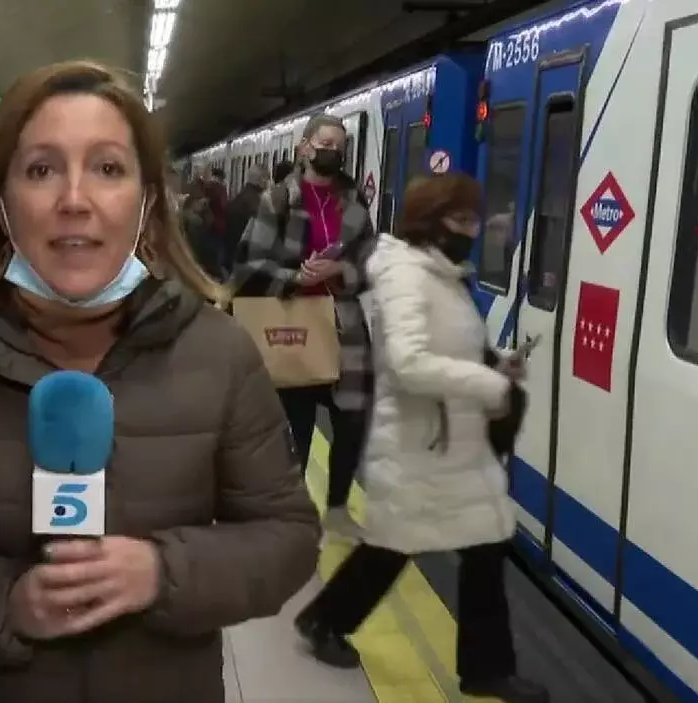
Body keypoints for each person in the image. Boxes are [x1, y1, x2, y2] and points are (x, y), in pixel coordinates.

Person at [0, 59, 320, 703]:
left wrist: (160, 573)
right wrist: (6, 605)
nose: (75, 200)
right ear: (0, 204)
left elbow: (287, 538)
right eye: (41, 170)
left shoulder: (221, 355)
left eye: (108, 168)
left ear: (146, 203)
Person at [295, 174, 545, 703]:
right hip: (416, 445)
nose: (473, 229)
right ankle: (324, 622)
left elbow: (450, 345)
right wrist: (489, 384)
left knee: (485, 547)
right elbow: (407, 363)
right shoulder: (407, 274)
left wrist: (495, 362)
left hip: (453, 444)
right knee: (391, 549)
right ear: (433, 221)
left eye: (475, 219)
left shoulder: (442, 273)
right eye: (463, 219)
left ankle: (486, 669)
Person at [232, 114, 375, 540]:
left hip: (344, 328)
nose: (333, 150)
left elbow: (371, 260)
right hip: (290, 326)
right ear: (305, 147)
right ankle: (291, 514)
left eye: (340, 145)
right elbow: (248, 264)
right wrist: (295, 277)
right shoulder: (278, 199)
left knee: (352, 421)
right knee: (294, 428)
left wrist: (341, 270)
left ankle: (336, 510)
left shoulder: (353, 201)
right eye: (325, 142)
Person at [224, 163, 268, 267]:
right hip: (246, 255)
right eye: (267, 178)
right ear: (260, 179)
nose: (268, 182)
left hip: (234, 251)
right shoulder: (254, 201)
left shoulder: (240, 197)